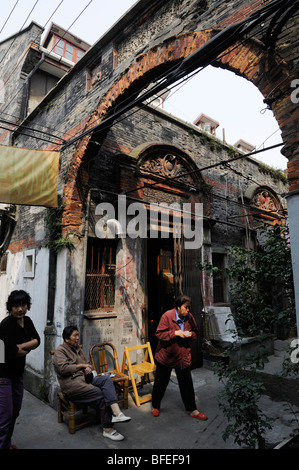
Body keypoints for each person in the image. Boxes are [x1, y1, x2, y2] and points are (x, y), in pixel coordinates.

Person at [53, 325, 131, 441]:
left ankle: (117, 413)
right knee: (101, 393)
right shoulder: (60, 351)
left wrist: (87, 367)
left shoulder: (78, 349)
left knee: (106, 380)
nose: (78, 337)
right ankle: (108, 429)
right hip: (72, 386)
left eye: (78, 335)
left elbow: (88, 363)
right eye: (75, 335)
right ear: (67, 339)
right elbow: (63, 369)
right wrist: (81, 366)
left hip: (85, 379)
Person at [151, 294, 208, 421]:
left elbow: (196, 333)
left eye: (189, 308)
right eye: (186, 307)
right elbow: (159, 334)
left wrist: (190, 335)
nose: (188, 310)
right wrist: (175, 333)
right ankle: (155, 406)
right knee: (161, 383)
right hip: (166, 356)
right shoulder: (167, 316)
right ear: (178, 307)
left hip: (182, 356)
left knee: (187, 383)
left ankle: (193, 410)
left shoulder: (189, 317)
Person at [0, 290, 40, 449]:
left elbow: (37, 340)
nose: (20, 309)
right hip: (3, 377)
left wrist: (23, 346)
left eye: (23, 305)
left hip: (18, 375)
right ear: (10, 307)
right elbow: (11, 352)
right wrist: (26, 347)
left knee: (15, 412)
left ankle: (7, 444)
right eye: (16, 306)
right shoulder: (5, 325)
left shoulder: (27, 321)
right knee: (5, 417)